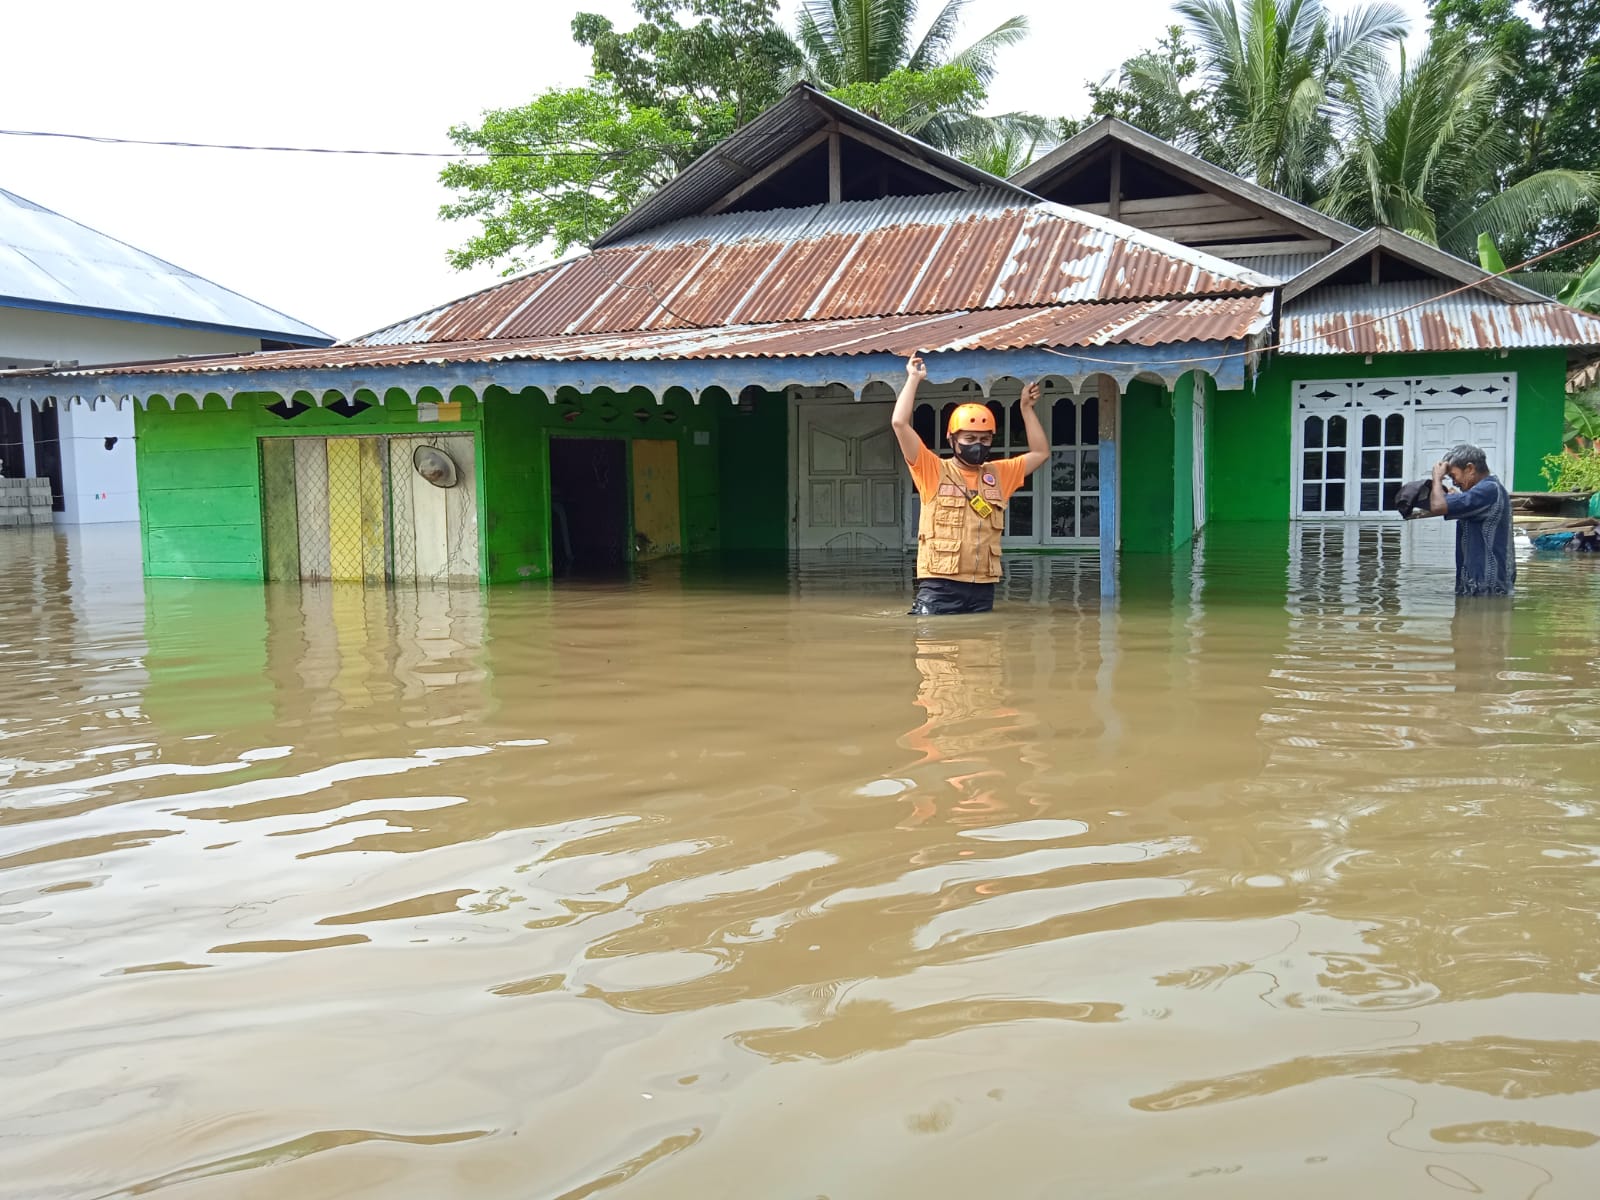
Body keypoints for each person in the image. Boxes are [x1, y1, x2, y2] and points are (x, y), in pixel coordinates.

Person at [891, 354, 1049, 614]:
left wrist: (1026, 410)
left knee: (983, 651)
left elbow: (1041, 453)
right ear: (952, 439)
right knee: (935, 651)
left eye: (985, 439)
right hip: (939, 585)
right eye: (969, 438)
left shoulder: (998, 474)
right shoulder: (932, 469)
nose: (977, 445)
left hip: (983, 588)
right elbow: (899, 423)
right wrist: (913, 379)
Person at [1419, 443, 1516, 596]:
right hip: (1483, 585)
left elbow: (1438, 506)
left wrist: (1437, 478)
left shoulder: (1488, 490)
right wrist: (1456, 498)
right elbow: (1459, 505)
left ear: (1470, 469)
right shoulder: (1488, 489)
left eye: (1453, 476)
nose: (1454, 482)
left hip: (1486, 586)